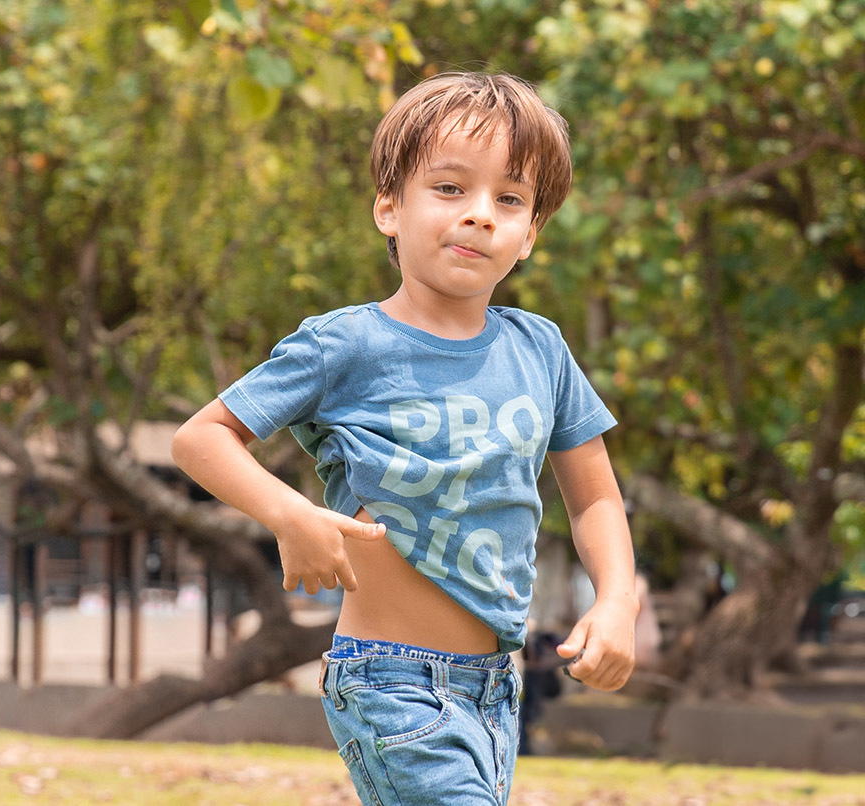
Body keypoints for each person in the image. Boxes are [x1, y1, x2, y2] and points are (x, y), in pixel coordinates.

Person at [170, 71, 637, 805]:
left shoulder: (540, 350)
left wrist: (616, 602)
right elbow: (202, 439)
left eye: (509, 199)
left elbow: (595, 499)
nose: (482, 215)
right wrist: (290, 514)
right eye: (450, 189)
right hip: (389, 680)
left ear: (531, 234)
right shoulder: (346, 344)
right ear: (389, 208)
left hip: (494, 688)